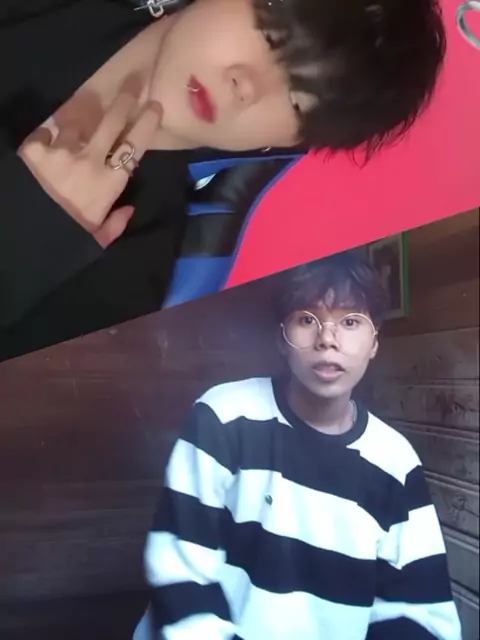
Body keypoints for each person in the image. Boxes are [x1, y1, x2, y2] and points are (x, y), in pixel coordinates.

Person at [0, 0, 446, 361]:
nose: (247, 85)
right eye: (272, 35)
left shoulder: (131, 273)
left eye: (296, 102)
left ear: (291, 142)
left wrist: (24, 246)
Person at [134, 251, 462, 640]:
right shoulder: (224, 417)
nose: (327, 340)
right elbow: (180, 565)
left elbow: (421, 611)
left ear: (374, 342)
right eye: (307, 319)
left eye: (350, 322)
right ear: (281, 337)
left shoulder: (394, 460)